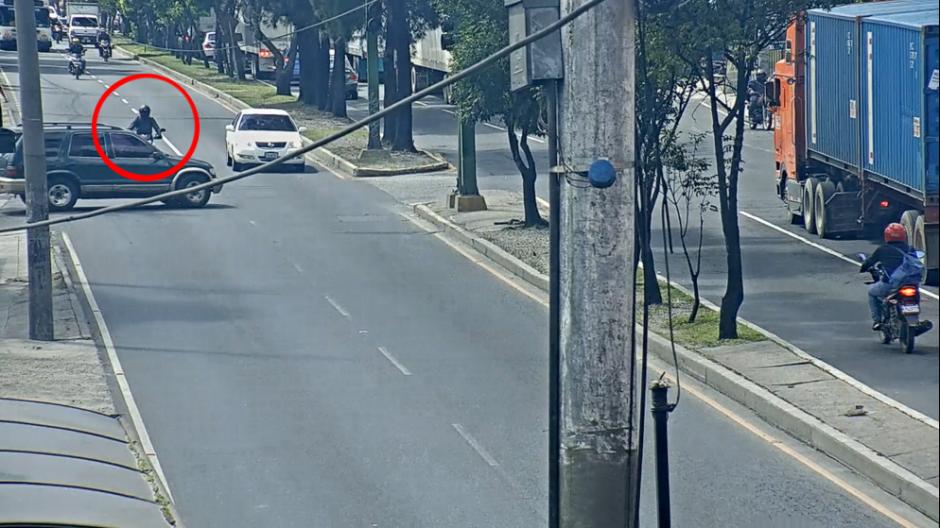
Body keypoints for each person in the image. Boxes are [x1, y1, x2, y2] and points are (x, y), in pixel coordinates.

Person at [860, 223, 914, 330]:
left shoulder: (882, 250)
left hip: (890, 284)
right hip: (910, 284)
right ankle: (913, 318)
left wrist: (863, 268)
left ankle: (877, 321)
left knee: (872, 292)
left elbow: (869, 262)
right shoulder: (910, 249)